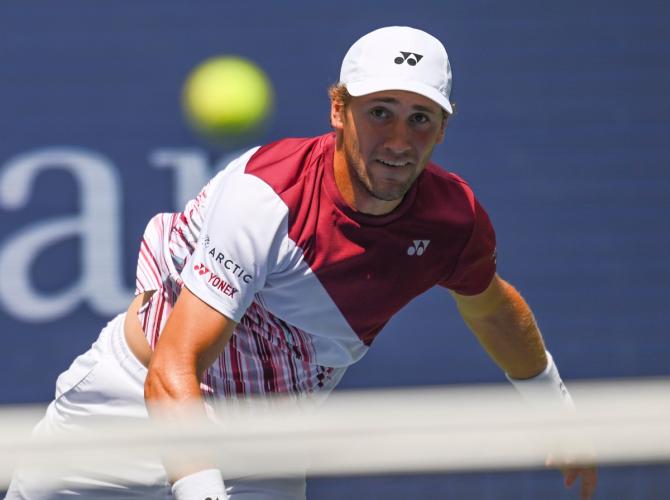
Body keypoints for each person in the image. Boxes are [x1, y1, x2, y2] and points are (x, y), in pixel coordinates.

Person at [6, 26, 597, 500]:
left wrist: (557, 411)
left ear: (443, 128)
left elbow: (492, 309)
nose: (398, 139)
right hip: (129, 402)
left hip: (265, 443)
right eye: (380, 112)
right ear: (339, 110)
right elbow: (174, 369)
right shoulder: (266, 197)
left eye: (420, 118)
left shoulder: (452, 219)